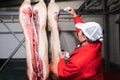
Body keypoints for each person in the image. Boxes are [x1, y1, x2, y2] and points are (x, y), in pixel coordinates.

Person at [58, 7, 104, 80]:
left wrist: (62, 59)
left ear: (84, 38)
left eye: (80, 31)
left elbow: (63, 74)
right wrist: (74, 15)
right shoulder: (96, 42)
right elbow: (84, 31)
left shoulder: (78, 61)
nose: (78, 31)